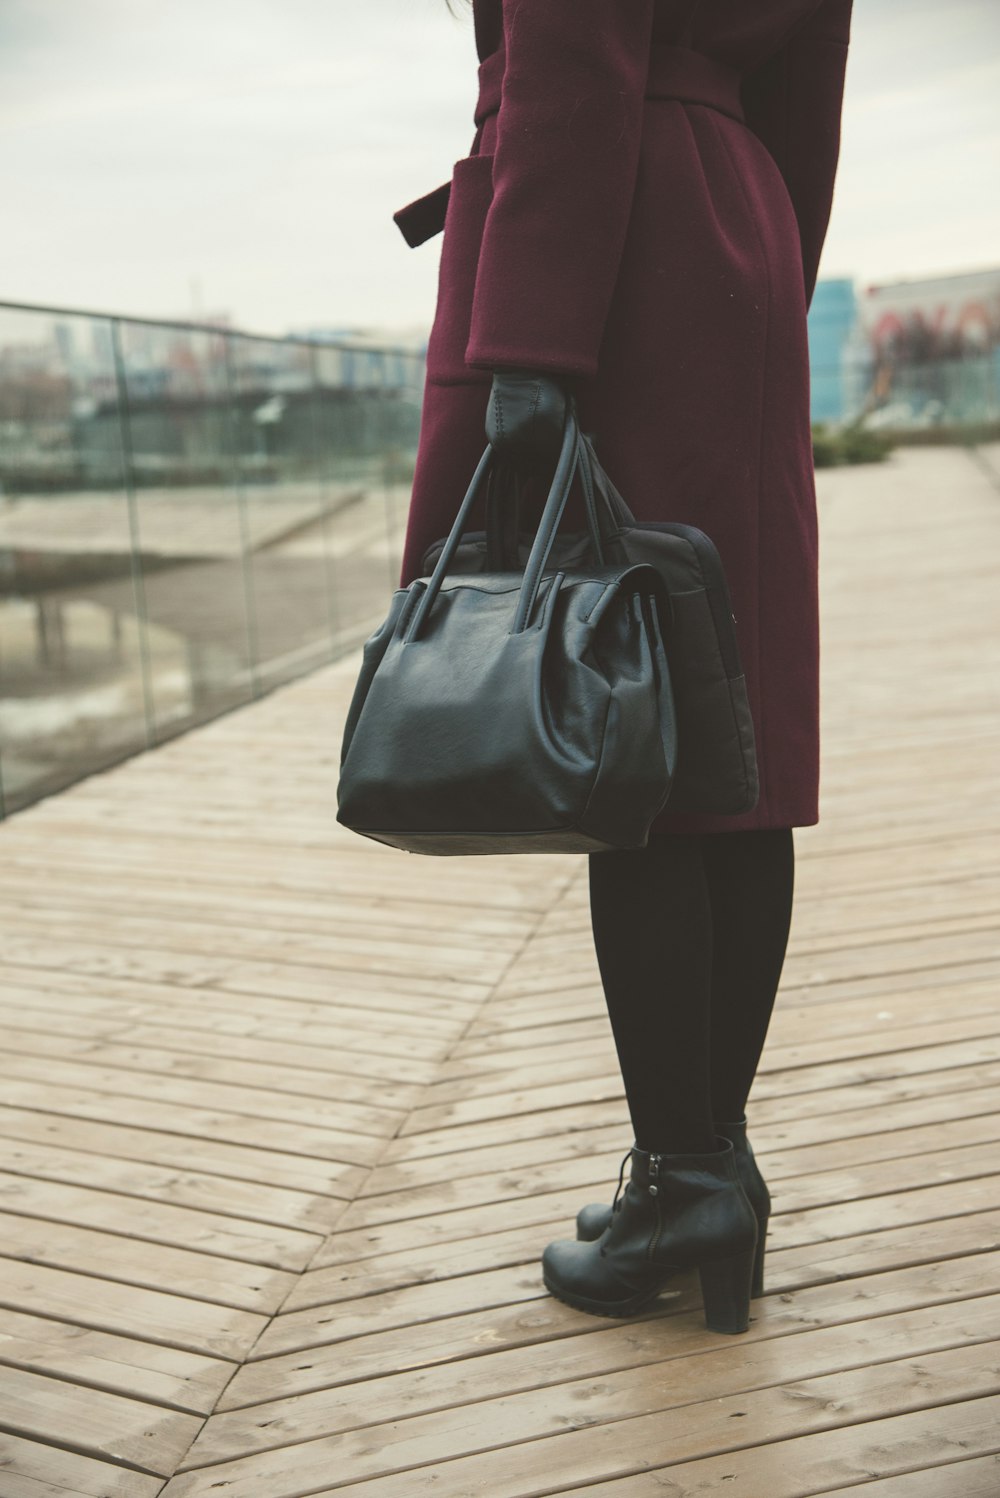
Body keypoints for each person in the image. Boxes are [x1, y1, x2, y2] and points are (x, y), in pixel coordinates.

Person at [392, 0, 853, 1332]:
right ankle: (702, 1151)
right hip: (732, 227)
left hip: (608, 241)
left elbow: (572, 54)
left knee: (630, 722)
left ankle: (687, 1174)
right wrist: (759, 267)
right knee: (727, 718)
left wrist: (531, 339)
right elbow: (807, 96)